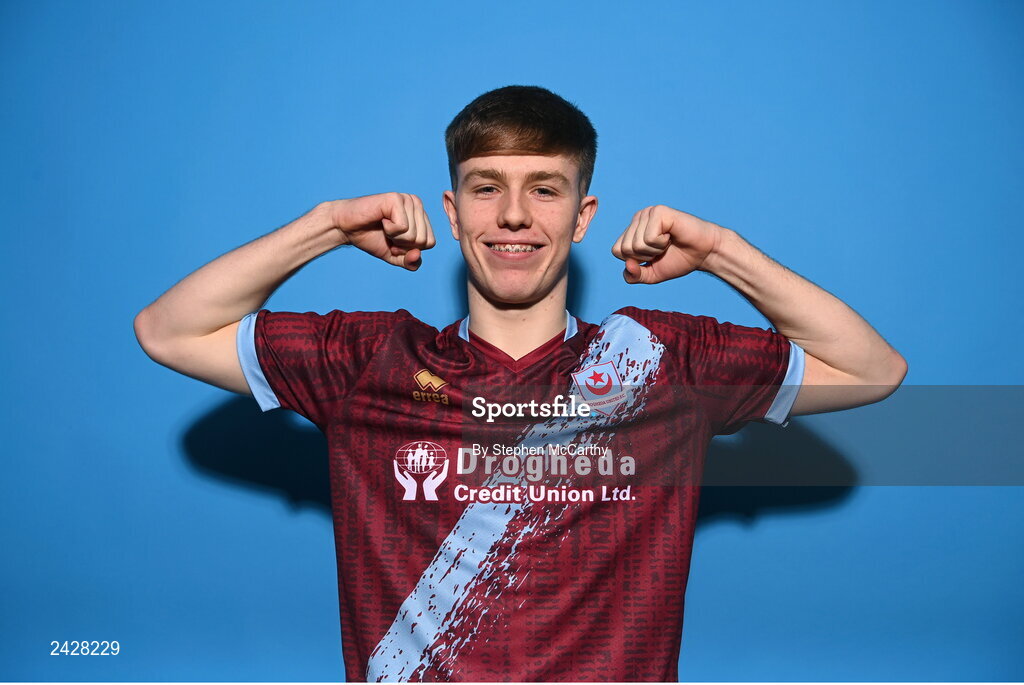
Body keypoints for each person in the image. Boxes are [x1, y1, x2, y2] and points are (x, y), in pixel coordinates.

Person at [134, 85, 906, 681]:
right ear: (452, 211)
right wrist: (329, 226)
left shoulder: (656, 360)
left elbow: (872, 370)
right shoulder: (372, 360)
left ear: (582, 215)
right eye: (485, 187)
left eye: (544, 188)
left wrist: (720, 252)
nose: (512, 215)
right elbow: (168, 330)